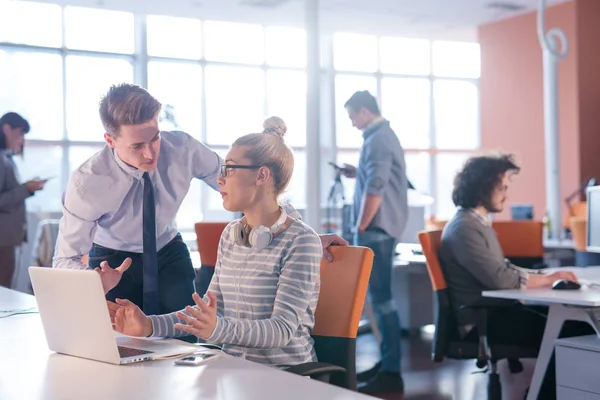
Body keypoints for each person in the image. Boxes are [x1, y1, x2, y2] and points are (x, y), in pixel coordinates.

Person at [53, 83, 345, 319]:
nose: (150, 154)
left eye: (154, 138)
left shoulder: (182, 149)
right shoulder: (86, 183)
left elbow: (251, 185)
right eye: (137, 145)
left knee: (185, 334)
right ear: (110, 140)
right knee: (119, 343)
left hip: (167, 251)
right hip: (113, 263)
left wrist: (297, 232)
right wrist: (91, 282)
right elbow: (63, 258)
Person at [108, 120, 322, 367]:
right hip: (233, 372)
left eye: (229, 169)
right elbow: (207, 313)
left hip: (285, 378)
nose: (220, 179)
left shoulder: (301, 242)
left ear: (262, 175)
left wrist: (216, 329)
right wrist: (149, 325)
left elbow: (281, 330)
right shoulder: (232, 234)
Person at [439, 153, 593, 397]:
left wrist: (547, 275)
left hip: (494, 312)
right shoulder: (465, 228)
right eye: (501, 187)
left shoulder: (476, 223)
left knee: (574, 322)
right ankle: (542, 395)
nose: (506, 194)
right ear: (483, 187)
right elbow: (501, 279)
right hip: (483, 322)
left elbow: (505, 269)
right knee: (573, 329)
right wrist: (549, 279)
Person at [336, 90, 407, 394]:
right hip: (380, 229)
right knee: (380, 301)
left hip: (374, 231)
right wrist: (356, 173)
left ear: (365, 111)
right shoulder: (381, 137)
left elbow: (376, 187)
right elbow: (375, 178)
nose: (352, 123)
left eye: (353, 116)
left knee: (382, 301)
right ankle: (388, 363)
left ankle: (392, 370)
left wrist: (360, 226)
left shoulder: (378, 139)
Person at [0, 112, 46, 288]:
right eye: (20, 133)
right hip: (3, 240)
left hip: (7, 238)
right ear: (6, 129)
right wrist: (26, 189)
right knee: (4, 288)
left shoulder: (7, 159)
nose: (21, 139)